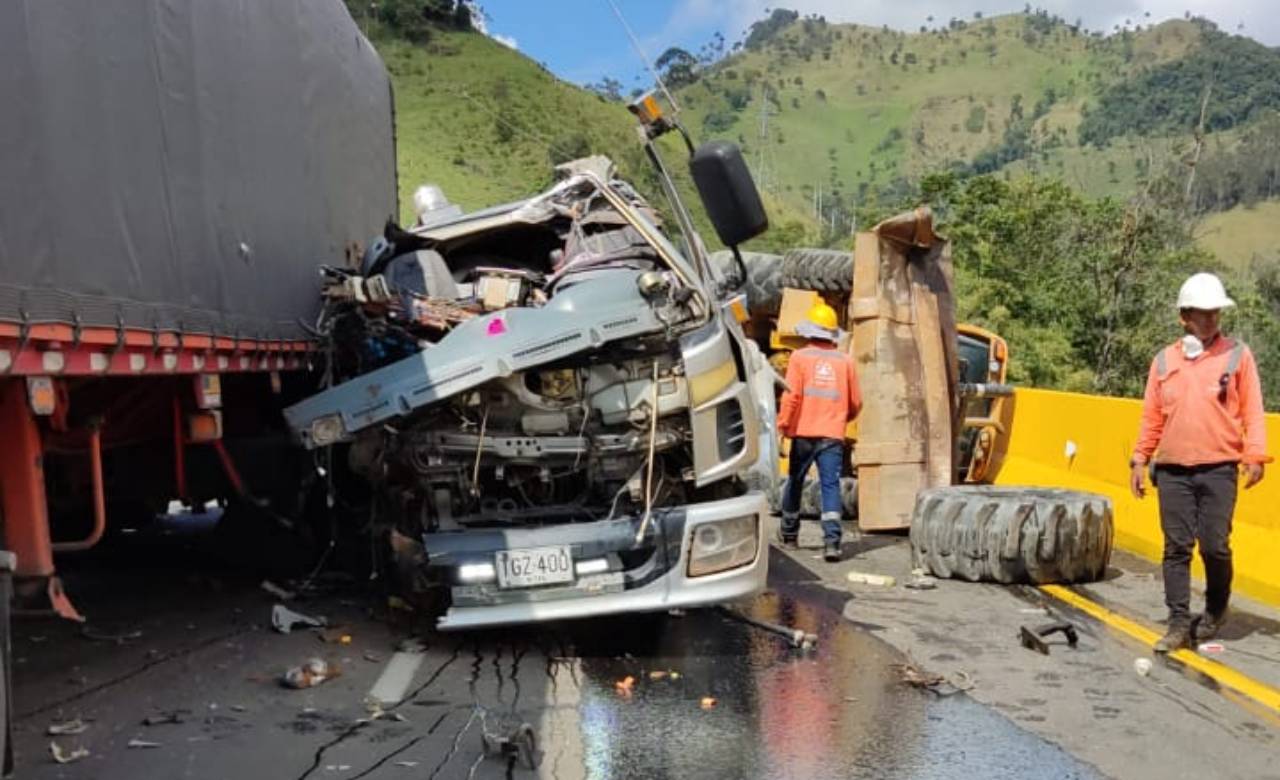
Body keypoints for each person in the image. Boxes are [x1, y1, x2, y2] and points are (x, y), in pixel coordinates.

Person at [1129, 272, 1270, 653]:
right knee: (1176, 547)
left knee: (1214, 545)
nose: (1210, 320)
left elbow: (1254, 411)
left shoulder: (1237, 355)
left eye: (1215, 313)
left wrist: (1256, 454)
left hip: (1219, 468)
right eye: (1202, 313)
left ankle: (1215, 608)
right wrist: (1140, 459)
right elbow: (1151, 416)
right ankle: (1177, 624)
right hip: (1173, 470)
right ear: (1184, 316)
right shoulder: (1163, 362)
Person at [777, 301, 862, 562]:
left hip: (803, 433)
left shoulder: (799, 358)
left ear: (810, 331)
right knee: (830, 486)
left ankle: (790, 535)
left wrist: (783, 425)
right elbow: (856, 401)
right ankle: (832, 544)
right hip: (832, 435)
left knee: (795, 481)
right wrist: (839, 419)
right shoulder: (845, 361)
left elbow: (791, 398)